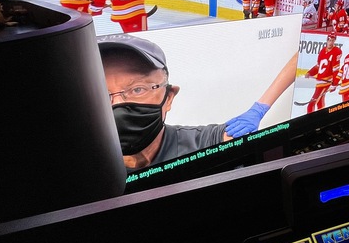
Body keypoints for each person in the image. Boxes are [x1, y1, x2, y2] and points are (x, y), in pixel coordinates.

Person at [98, 34, 296, 172]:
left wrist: (260, 108)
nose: (117, 105)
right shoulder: (83, 170)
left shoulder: (202, 145)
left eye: (137, 89)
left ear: (169, 97)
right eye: (100, 94)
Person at [304, 30, 342, 113]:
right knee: (320, 102)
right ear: (327, 40)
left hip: (326, 82)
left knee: (311, 105)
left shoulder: (336, 51)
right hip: (319, 81)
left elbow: (336, 70)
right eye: (329, 40)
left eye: (332, 40)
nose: (330, 42)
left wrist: (335, 83)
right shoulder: (322, 51)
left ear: (334, 41)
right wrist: (310, 72)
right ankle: (321, 117)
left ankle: (310, 119)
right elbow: (318, 66)